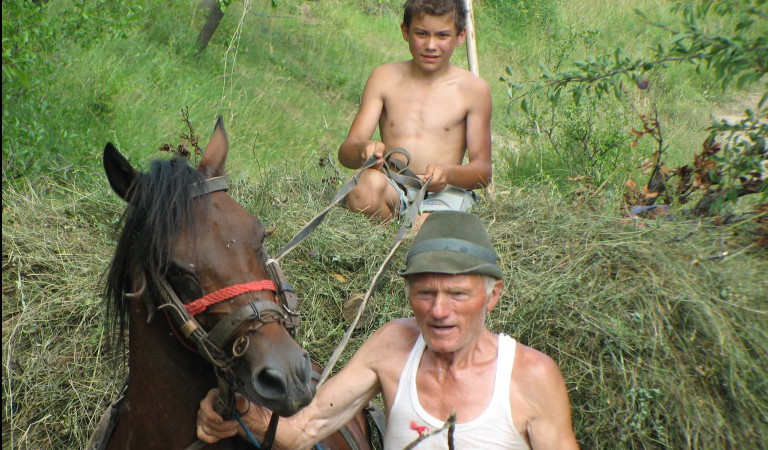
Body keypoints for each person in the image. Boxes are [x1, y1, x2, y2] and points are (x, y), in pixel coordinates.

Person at [197, 211, 580, 449]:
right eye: (426, 292)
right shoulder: (394, 344)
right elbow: (305, 429)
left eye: (458, 294)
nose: (439, 310)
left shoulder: (531, 377)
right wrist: (236, 405)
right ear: (409, 293)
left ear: (492, 294)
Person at [338, 0, 493, 223]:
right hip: (394, 184)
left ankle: (411, 233)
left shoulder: (474, 90)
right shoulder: (384, 78)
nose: (431, 45)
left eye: (442, 35)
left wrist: (448, 173)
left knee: (425, 226)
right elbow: (346, 152)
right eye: (421, 33)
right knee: (364, 188)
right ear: (405, 31)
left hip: (446, 193)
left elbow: (482, 172)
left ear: (460, 36)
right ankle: (388, 236)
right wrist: (364, 150)